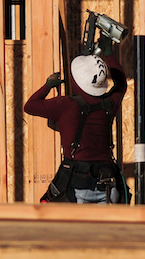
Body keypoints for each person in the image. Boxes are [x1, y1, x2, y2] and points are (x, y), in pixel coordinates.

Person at [24, 48, 128, 204]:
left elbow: (30, 106)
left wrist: (48, 85)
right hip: (108, 186)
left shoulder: (67, 105)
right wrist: (109, 53)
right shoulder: (109, 104)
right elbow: (121, 83)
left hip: (79, 186)